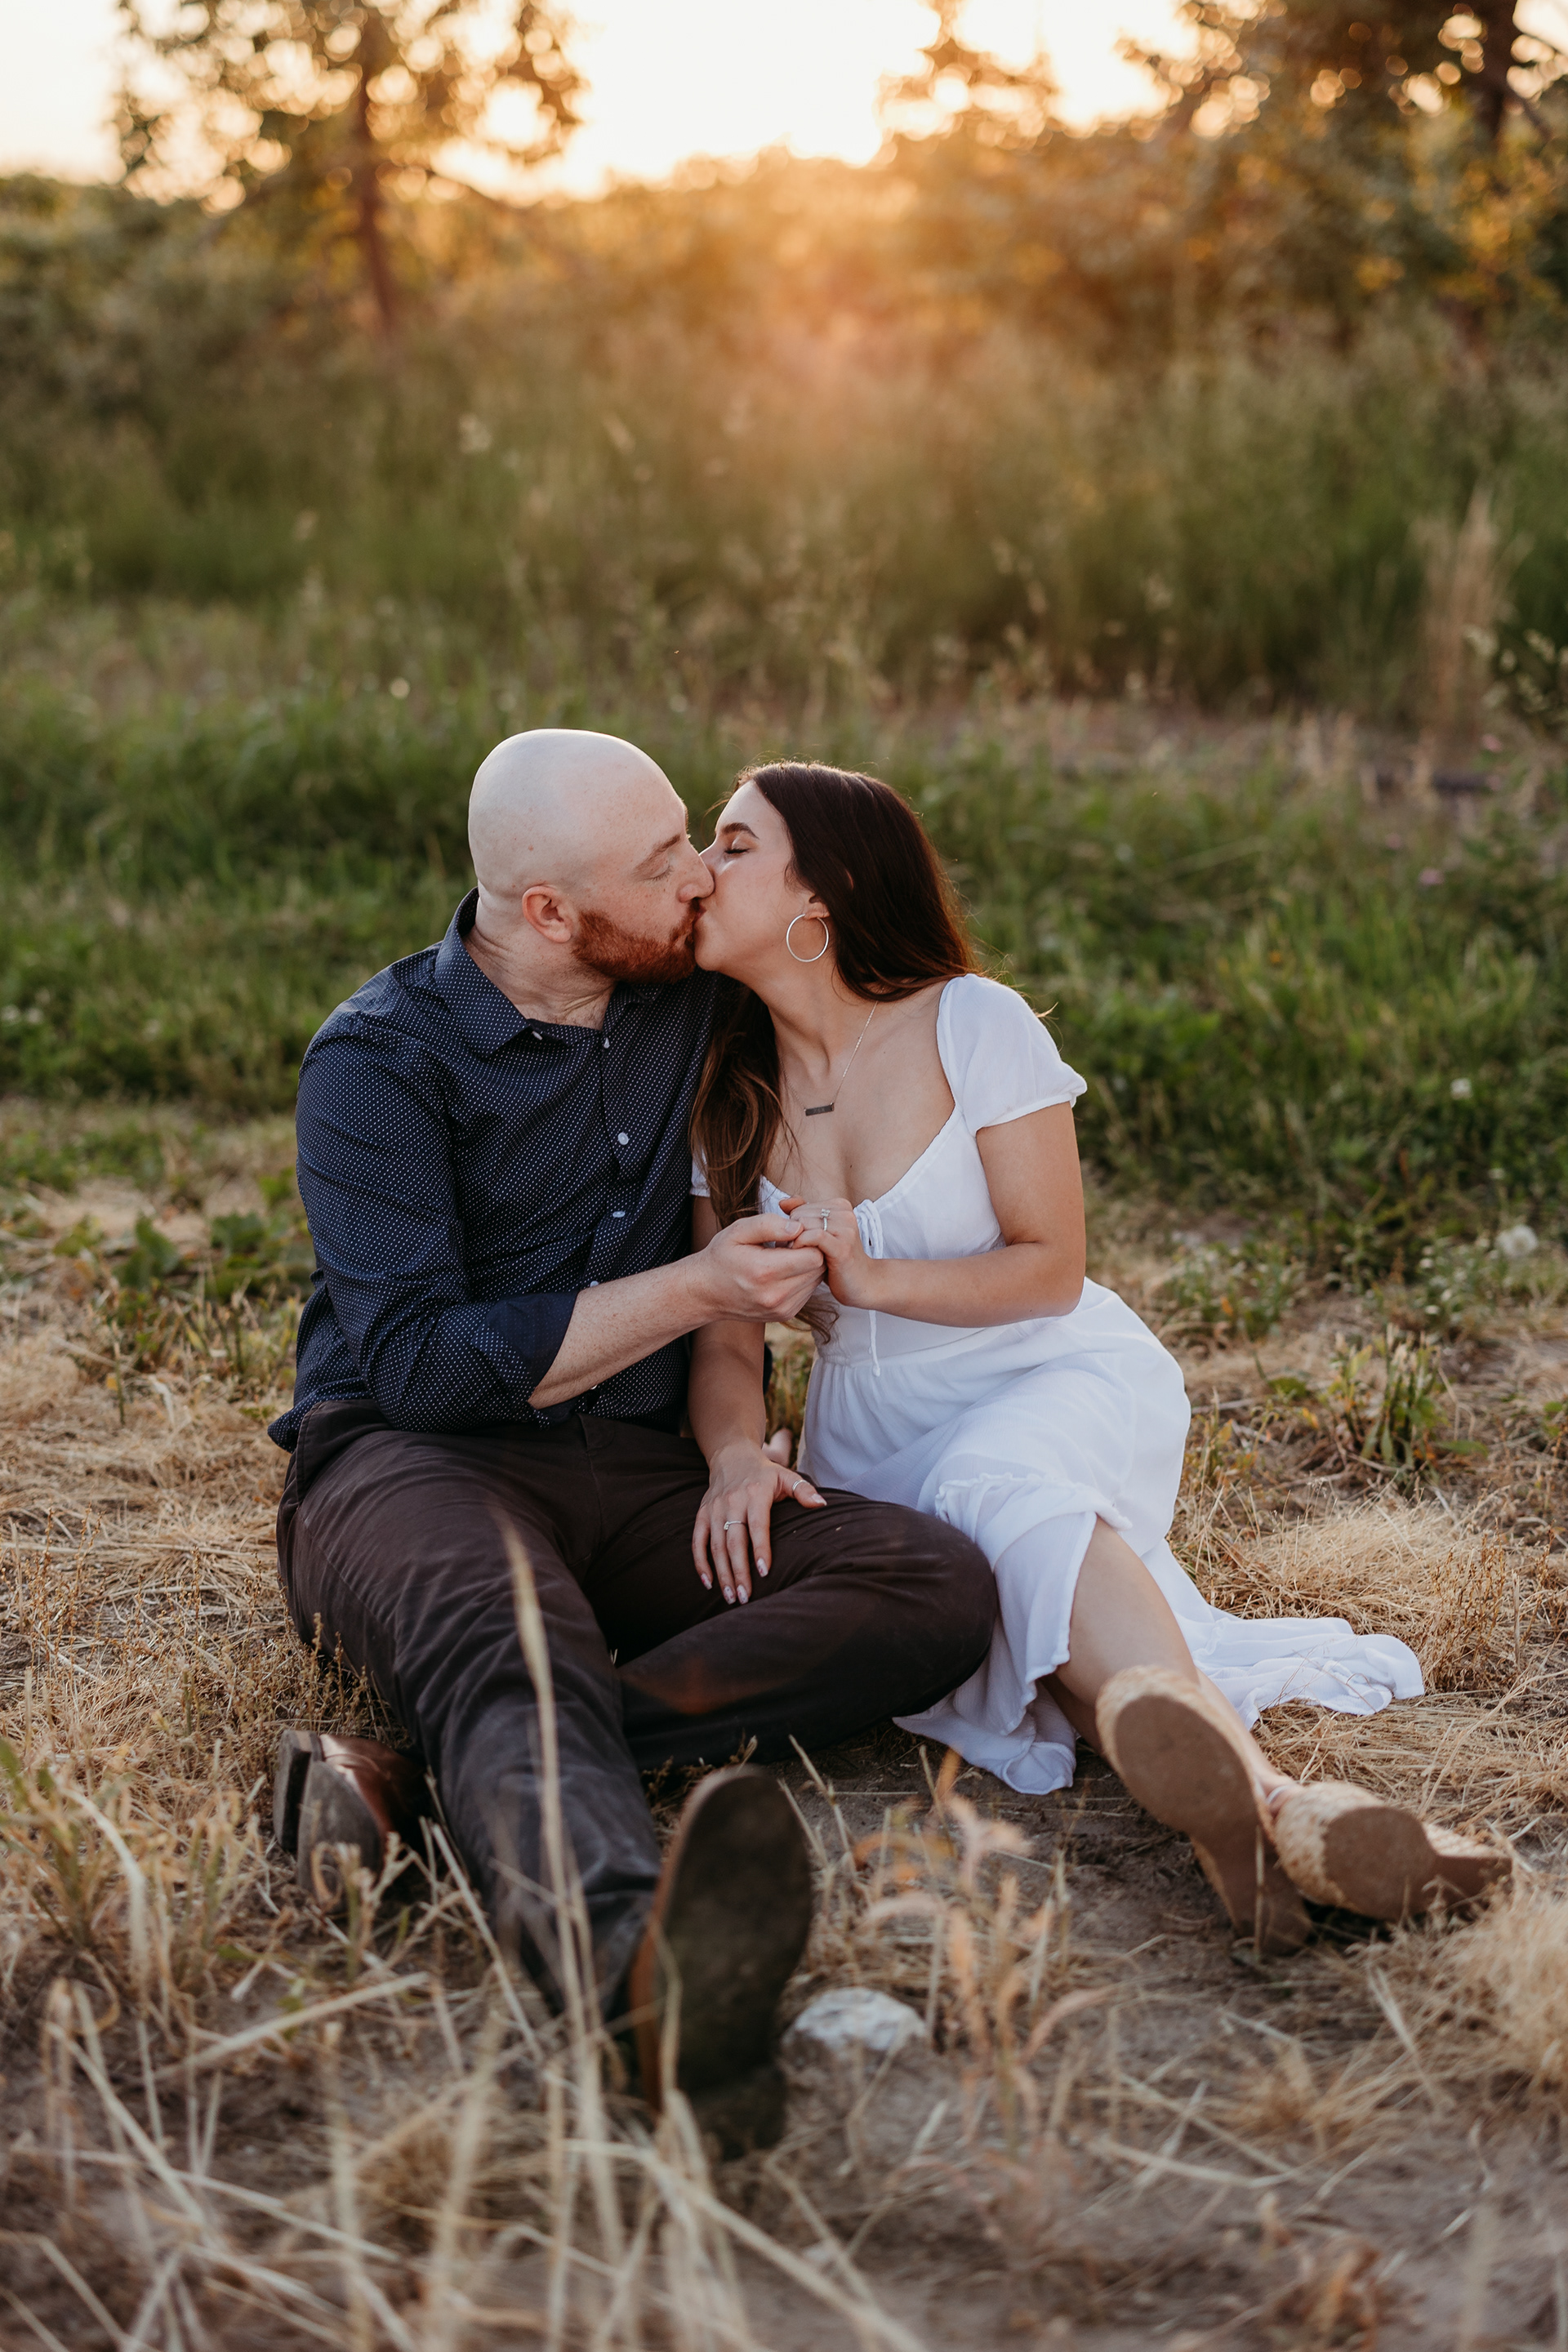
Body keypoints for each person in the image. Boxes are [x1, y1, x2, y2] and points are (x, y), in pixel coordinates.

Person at [269, 729, 996, 2136]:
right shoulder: (378, 1060)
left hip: (648, 1472)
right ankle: (640, 1985)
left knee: (931, 1585)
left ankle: (434, 1788)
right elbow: (417, 1364)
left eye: (693, 838)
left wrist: (738, 1445)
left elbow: (859, 997)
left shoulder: (688, 1004)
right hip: (410, 1465)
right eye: (660, 861)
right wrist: (696, 1285)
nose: (693, 880)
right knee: (513, 1653)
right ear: (548, 911)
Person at [687, 761, 1511, 1950]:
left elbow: (1048, 1264)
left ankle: (1266, 1794)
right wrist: (730, 1457)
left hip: (1037, 1366)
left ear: (825, 893)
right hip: (871, 1429)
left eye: (731, 844)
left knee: (1008, 1497)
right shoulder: (723, 1095)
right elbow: (722, 1337)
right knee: (1034, 1614)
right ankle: (1279, 1824)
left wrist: (873, 1278)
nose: (701, 872)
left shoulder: (972, 1021)